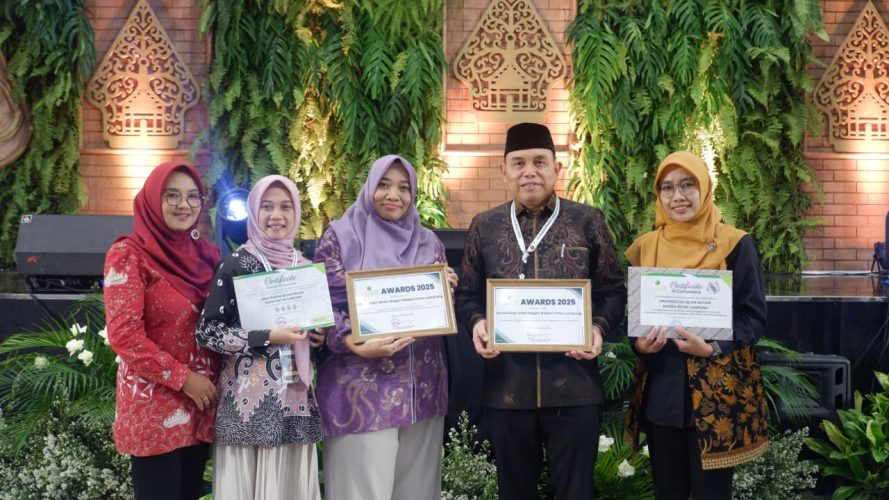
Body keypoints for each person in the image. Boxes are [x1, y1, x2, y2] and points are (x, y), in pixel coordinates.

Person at [455, 123, 626, 499]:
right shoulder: (485, 226)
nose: (529, 171)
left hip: (574, 387)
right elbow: (467, 294)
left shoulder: (587, 220)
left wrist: (597, 328)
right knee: (514, 491)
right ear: (504, 170)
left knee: (576, 492)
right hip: (507, 388)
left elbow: (613, 290)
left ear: (556, 168)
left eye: (539, 162)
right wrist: (478, 323)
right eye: (518, 163)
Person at [624, 151, 769, 499]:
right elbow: (635, 321)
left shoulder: (735, 244)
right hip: (662, 393)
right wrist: (640, 345)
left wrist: (712, 347)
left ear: (704, 187)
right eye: (668, 187)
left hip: (715, 396)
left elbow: (753, 316)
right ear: (658, 194)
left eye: (688, 185)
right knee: (667, 491)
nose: (678, 196)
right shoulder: (645, 247)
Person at [313, 154, 457, 500]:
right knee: (361, 492)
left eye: (404, 188)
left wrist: (447, 290)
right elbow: (321, 305)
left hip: (422, 388)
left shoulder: (429, 242)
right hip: (360, 390)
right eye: (384, 185)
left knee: (418, 492)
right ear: (369, 188)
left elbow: (436, 311)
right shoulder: (340, 237)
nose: (394, 195)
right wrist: (351, 340)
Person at [196, 175, 323, 499]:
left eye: (285, 207)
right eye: (267, 207)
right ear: (254, 212)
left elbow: (313, 339)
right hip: (248, 405)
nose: (276, 215)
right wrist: (267, 336)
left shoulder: (306, 269)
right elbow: (208, 332)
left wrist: (316, 337)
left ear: (296, 213)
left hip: (295, 401)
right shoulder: (236, 265)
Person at [104, 162, 220, 500]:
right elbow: (125, 336)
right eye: (172, 195)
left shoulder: (207, 255)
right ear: (153, 199)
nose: (184, 205)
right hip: (154, 405)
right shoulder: (128, 255)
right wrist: (184, 378)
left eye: (193, 196)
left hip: (200, 402)